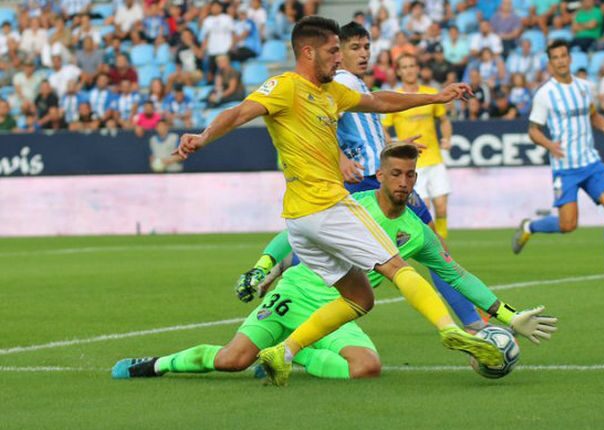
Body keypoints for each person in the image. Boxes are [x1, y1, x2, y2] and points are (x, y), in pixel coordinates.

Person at [169, 16, 505, 387]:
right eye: (333, 51)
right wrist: (203, 137)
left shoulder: (333, 92)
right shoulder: (285, 87)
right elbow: (238, 113)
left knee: (359, 297)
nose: (338, 59)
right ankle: (449, 331)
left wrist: (435, 96)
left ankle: (285, 350)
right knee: (396, 265)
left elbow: (379, 101)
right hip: (325, 205)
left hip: (299, 219)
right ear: (309, 51)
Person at [112, 143, 558, 381]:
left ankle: (291, 355)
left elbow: (456, 274)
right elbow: (293, 231)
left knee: (367, 368)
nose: (403, 183)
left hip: (341, 307)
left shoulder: (418, 234)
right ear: (380, 175)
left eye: (410, 176)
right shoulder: (350, 203)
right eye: (395, 174)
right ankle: (154, 364)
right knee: (231, 361)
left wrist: (506, 314)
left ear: (415, 179)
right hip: (296, 291)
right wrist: (265, 265)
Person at [256, 21, 488, 332]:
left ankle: (474, 322)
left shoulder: (356, 84)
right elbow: (319, 127)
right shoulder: (339, 84)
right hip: (365, 182)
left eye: (366, 47)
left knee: (434, 249)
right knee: (324, 268)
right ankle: (277, 284)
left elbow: (369, 124)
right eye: (353, 48)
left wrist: (393, 146)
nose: (363, 53)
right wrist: (339, 159)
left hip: (381, 177)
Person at [512, 40, 604, 276]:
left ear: (569, 59)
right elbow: (533, 130)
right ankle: (531, 226)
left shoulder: (584, 87)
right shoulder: (545, 94)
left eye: (563, 56)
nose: (560, 61)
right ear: (550, 63)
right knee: (568, 225)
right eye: (555, 57)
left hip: (590, 161)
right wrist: (550, 145)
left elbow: (593, 115)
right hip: (565, 167)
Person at [382, 53, 453, 240]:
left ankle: (441, 247)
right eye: (404, 67)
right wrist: (393, 146)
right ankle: (422, 245)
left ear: (418, 68)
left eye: (412, 65)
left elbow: (444, 120)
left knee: (442, 207)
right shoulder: (394, 96)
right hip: (412, 163)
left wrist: (447, 137)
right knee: (424, 208)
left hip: (435, 158)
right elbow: (383, 127)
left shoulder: (430, 93)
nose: (409, 70)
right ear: (398, 72)